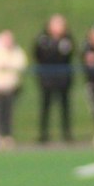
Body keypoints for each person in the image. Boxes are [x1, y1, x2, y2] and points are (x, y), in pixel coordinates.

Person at [32, 13, 75, 144]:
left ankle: (66, 133)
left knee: (64, 106)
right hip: (47, 78)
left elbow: (66, 55)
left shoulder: (67, 40)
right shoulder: (43, 39)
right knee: (46, 106)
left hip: (63, 77)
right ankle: (43, 133)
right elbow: (40, 55)